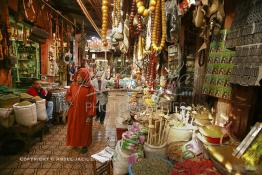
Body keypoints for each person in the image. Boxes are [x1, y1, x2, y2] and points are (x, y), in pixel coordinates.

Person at [65, 68, 96, 154]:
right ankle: (74, 142)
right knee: (73, 128)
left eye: (80, 76)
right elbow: (68, 95)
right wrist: (69, 100)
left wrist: (90, 115)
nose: (78, 77)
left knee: (84, 130)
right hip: (73, 112)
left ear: (85, 77)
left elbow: (92, 102)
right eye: (77, 75)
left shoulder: (90, 88)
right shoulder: (73, 85)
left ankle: (84, 145)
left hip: (84, 114)